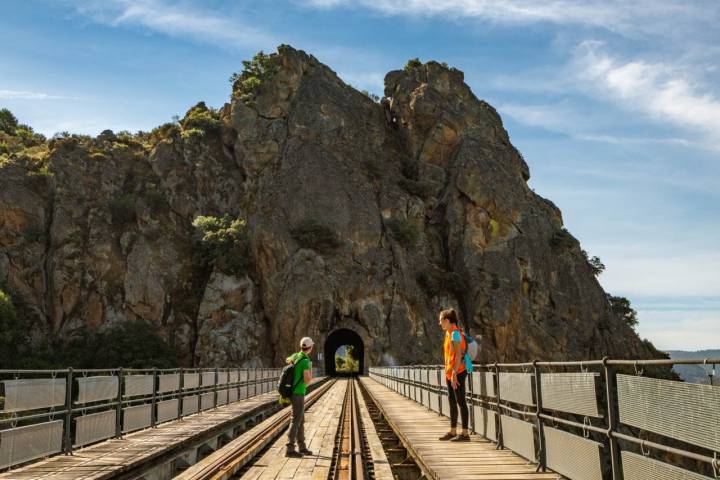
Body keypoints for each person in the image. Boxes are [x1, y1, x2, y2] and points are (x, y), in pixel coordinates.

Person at [438, 308, 473, 441]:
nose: (439, 323)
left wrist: (454, 373)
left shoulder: (455, 334)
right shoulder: (448, 333)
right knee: (452, 401)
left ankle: (464, 433)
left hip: (458, 371)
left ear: (447, 321)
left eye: (440, 320)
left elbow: (458, 355)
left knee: (460, 400)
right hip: (451, 372)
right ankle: (453, 431)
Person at [285, 336, 314, 457]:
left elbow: (287, 360)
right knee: (296, 420)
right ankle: (290, 449)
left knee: (300, 419)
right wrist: (309, 372)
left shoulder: (296, 356)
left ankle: (302, 447)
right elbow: (307, 380)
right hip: (298, 393)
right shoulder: (305, 361)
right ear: (310, 347)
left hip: (293, 392)